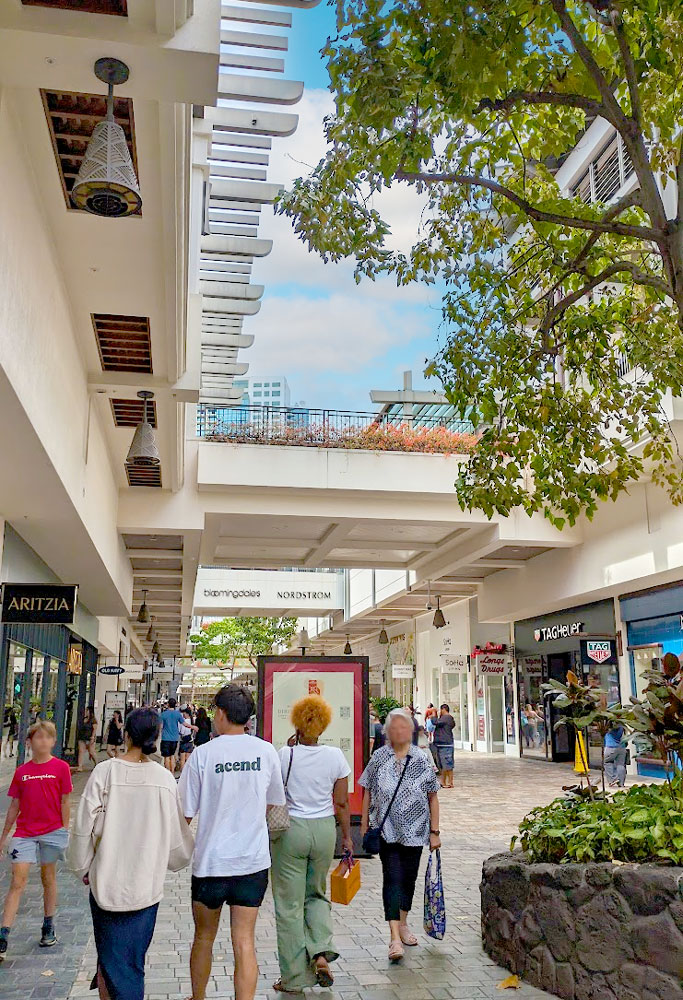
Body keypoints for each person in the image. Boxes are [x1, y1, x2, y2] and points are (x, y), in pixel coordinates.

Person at [70, 707, 194, 1000]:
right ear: (157, 736)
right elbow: (178, 843)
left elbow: (81, 828)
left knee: (110, 959)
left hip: (105, 884)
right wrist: (176, 859)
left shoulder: (105, 771)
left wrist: (82, 867)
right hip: (145, 888)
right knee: (131, 963)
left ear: (126, 734)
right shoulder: (164, 779)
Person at [179, 684, 286, 1000]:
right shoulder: (265, 751)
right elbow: (273, 801)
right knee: (244, 941)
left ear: (221, 714)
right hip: (252, 862)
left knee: (203, 937)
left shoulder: (203, 754)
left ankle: (198, 997)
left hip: (211, 862)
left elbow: (185, 813)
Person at [270, 695, 352, 994]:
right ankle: (320, 953)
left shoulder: (284, 755)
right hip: (324, 830)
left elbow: (274, 795)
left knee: (289, 905)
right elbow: (341, 802)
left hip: (292, 831)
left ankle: (293, 978)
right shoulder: (335, 757)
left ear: (297, 724)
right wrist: (346, 837)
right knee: (316, 895)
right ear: (324, 724)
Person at [359, 709, 440, 962]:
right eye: (394, 728)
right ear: (387, 732)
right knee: (392, 878)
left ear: (412, 731)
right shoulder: (379, 758)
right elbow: (367, 792)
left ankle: (403, 922)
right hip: (387, 831)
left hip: (416, 832)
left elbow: (433, 796)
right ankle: (394, 936)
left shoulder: (422, 758)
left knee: (409, 879)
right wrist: (364, 824)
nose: (399, 732)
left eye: (404, 727)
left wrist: (435, 831)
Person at [0, 720, 73, 960]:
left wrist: (64, 829)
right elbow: (14, 805)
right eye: (38, 737)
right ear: (29, 742)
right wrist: (4, 836)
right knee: (17, 881)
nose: (43, 741)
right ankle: (4, 934)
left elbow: (65, 801)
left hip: (51, 832)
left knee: (48, 877)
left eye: (47, 737)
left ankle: (48, 925)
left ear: (53, 741)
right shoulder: (22, 772)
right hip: (25, 833)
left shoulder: (61, 768)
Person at [432, 704, 456, 788]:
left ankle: (449, 782)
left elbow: (435, 722)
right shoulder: (448, 719)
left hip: (445, 744)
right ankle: (444, 781)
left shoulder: (446, 718)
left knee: (447, 764)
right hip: (443, 743)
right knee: (443, 764)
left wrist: (434, 714)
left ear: (444, 709)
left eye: (440, 710)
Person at [159, 698, 184, 772]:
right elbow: (184, 723)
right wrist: (192, 727)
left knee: (166, 757)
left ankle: (168, 773)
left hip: (165, 738)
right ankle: (172, 772)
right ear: (175, 705)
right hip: (175, 738)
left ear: (168, 704)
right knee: (172, 755)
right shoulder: (178, 714)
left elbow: (160, 726)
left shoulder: (164, 714)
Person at [604, 722, 628, 788]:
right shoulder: (622, 727)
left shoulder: (609, 728)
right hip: (622, 747)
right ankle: (621, 783)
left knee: (607, 762)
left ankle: (613, 779)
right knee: (620, 765)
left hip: (610, 747)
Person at [77, 707, 98, 772]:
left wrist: (92, 737)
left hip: (89, 737)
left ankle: (97, 764)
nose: (86, 712)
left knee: (91, 751)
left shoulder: (93, 720)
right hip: (82, 737)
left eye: (87, 711)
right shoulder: (84, 719)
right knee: (81, 751)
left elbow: (94, 729)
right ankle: (80, 766)